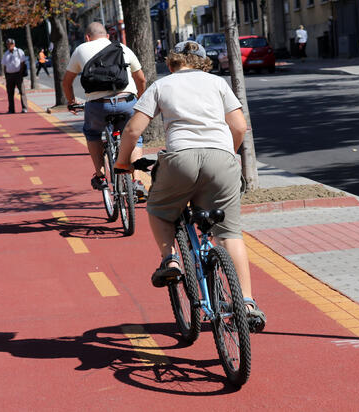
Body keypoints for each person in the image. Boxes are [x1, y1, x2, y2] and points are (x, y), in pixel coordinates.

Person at [114, 41, 266, 327]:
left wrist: (123, 163)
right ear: (202, 63)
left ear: (172, 63)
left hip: (180, 159)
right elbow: (239, 126)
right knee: (230, 232)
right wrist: (227, 154)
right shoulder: (217, 83)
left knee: (159, 208)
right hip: (221, 159)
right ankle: (245, 301)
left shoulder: (162, 85)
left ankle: (170, 260)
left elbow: (133, 129)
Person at [61, 21, 148, 200]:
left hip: (98, 105)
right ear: (108, 36)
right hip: (126, 101)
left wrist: (71, 101)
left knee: (92, 133)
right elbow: (141, 78)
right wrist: (140, 98)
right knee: (135, 136)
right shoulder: (122, 47)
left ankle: (100, 176)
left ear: (87, 37)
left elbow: (67, 81)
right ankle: (137, 181)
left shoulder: (80, 50)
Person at [1, 38, 28, 113]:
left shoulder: (19, 51)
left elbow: (22, 62)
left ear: (14, 44)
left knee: (22, 92)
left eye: (11, 44)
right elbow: (4, 65)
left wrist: (20, 72)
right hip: (9, 75)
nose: (9, 46)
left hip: (18, 74)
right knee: (10, 93)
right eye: (8, 44)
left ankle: (24, 108)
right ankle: (11, 109)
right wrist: (6, 75)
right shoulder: (6, 54)